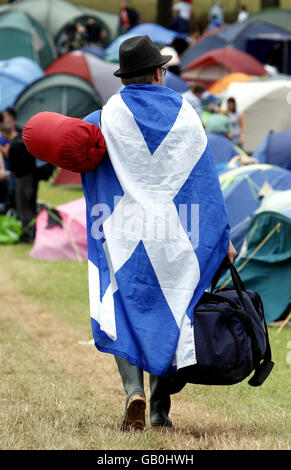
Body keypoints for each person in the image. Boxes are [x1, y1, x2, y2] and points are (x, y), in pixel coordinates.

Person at [24, 35, 236, 431]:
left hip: (122, 234)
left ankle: (131, 391)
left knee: (120, 306)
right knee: (170, 312)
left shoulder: (104, 116)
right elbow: (206, 181)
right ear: (158, 73)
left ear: (125, 78)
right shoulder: (187, 115)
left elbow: (74, 147)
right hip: (179, 234)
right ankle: (159, 410)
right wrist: (221, 237)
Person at [2, 124, 38, 242]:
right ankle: (33, 232)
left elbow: (13, 167)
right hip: (32, 178)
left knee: (23, 206)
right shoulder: (23, 141)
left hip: (22, 180)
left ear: (5, 133)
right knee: (31, 205)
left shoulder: (14, 146)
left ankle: (28, 235)